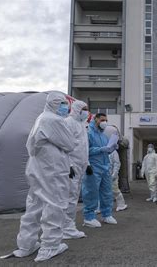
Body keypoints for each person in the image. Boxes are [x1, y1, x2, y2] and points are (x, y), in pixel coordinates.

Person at [6, 92, 77, 262]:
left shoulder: (41, 118)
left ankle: (27, 244)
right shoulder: (53, 120)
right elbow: (70, 144)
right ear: (53, 104)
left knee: (35, 206)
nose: (65, 106)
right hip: (51, 169)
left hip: (38, 168)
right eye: (62, 103)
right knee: (55, 204)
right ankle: (50, 246)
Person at [82, 113, 118, 228]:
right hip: (93, 167)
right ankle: (89, 217)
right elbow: (85, 150)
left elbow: (105, 151)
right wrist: (102, 149)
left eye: (106, 120)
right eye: (102, 119)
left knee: (107, 192)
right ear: (95, 119)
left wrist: (111, 149)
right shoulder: (88, 133)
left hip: (105, 167)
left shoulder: (103, 136)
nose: (105, 122)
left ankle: (106, 214)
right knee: (91, 192)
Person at [62, 100, 89, 239]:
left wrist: (87, 163)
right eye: (84, 109)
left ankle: (68, 226)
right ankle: (67, 228)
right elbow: (65, 146)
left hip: (80, 166)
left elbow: (83, 147)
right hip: (72, 167)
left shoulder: (81, 124)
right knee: (70, 198)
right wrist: (69, 165)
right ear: (77, 109)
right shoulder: (68, 122)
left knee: (74, 196)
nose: (86, 112)